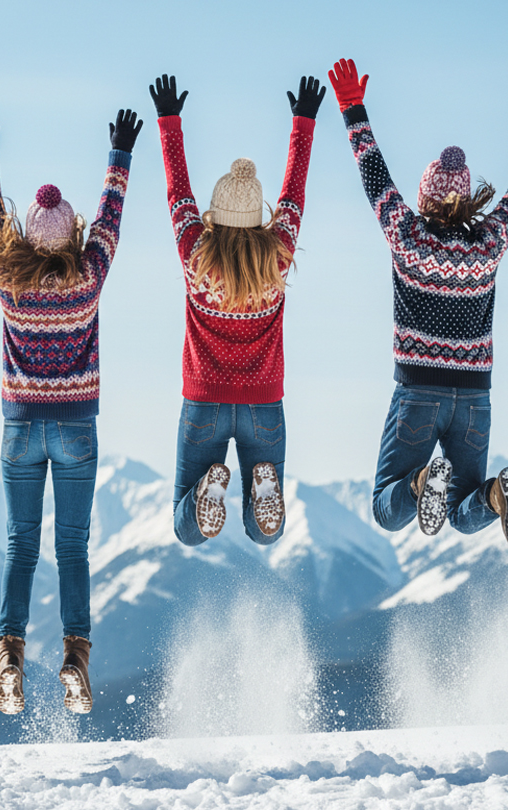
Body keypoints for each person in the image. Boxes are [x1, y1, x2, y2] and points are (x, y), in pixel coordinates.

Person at [327, 58, 508, 549]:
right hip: (474, 397)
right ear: (466, 197)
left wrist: (352, 109)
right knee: (463, 509)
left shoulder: (406, 236)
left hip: (418, 392)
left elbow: (374, 176)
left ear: (424, 197)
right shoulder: (490, 243)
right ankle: (496, 495)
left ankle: (418, 483)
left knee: (387, 507)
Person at [0, 107, 141, 715]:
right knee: (72, 548)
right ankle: (76, 659)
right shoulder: (88, 280)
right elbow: (110, 222)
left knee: (21, 545)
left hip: (19, 428)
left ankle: (9, 657)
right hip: (75, 428)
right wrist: (119, 155)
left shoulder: (8, 283)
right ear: (71, 238)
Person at [150, 73, 323, 546]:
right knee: (265, 535)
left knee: (187, 529)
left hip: (203, 401)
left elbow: (178, 194)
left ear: (215, 213)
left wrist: (169, 121)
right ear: (258, 218)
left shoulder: (195, 256)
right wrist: (303, 122)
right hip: (263, 404)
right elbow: (294, 197)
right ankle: (261, 487)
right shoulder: (277, 258)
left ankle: (205, 490)